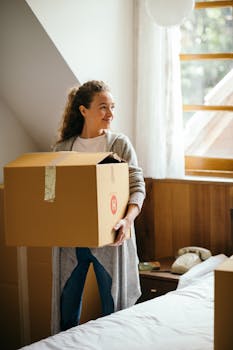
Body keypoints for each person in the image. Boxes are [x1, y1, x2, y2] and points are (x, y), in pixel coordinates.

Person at [53, 80, 145, 331]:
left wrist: (127, 220)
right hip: (72, 241)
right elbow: (51, 195)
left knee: (114, 312)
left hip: (112, 238)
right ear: (83, 110)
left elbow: (138, 187)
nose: (110, 114)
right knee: (66, 312)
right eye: (103, 107)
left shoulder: (119, 144)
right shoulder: (63, 148)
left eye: (112, 107)